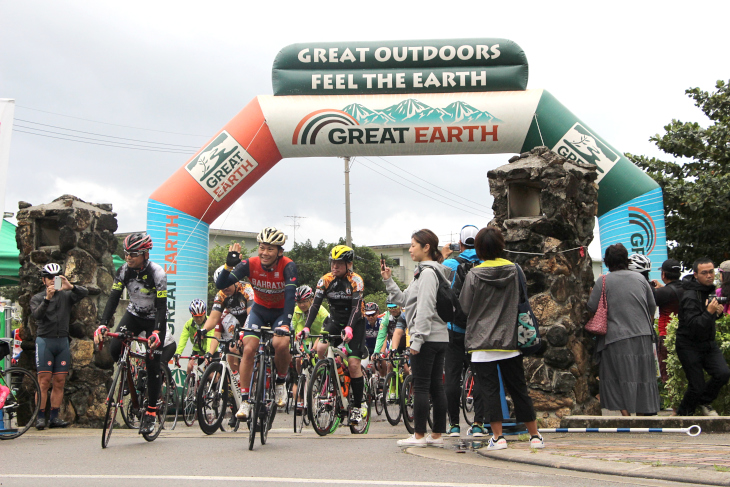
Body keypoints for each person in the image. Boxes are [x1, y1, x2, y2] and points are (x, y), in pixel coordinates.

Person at [458, 226, 544, 450]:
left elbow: (465, 307)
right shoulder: (515, 270)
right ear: (501, 245)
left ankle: (498, 438)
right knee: (518, 389)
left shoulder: (474, 274)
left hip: (481, 342)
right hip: (511, 341)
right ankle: (534, 436)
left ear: (478, 249)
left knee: (490, 392)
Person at [215, 228, 297, 419]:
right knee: (249, 348)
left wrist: (286, 323)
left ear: (279, 252)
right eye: (262, 248)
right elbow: (221, 285)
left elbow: (291, 296)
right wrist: (228, 266)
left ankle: (280, 383)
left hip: (280, 311)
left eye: (270, 249)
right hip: (259, 311)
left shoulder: (288, 266)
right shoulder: (249, 264)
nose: (264, 253)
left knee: (280, 343)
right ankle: (244, 401)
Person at [94, 233, 168, 435]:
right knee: (115, 347)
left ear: (145, 254)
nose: (128, 257)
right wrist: (102, 324)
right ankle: (129, 375)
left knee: (152, 362)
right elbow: (113, 298)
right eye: (126, 253)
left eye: (133, 254)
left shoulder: (157, 273)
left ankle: (151, 412)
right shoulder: (123, 271)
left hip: (155, 317)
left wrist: (156, 332)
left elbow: (162, 306)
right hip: (134, 314)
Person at [383, 229, 448, 447]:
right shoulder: (423, 273)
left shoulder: (428, 273)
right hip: (437, 337)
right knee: (435, 386)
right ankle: (437, 435)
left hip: (427, 338)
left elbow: (426, 307)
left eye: (413, 245)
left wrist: (416, 341)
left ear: (426, 247)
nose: (410, 249)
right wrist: (389, 281)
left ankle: (420, 435)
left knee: (421, 386)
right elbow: (403, 299)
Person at [587, 243, 659, 417]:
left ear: (606, 262)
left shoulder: (603, 281)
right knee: (643, 376)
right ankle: (644, 415)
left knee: (615, 377)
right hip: (643, 334)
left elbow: (591, 306)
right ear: (626, 260)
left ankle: (627, 417)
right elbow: (651, 305)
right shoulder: (640, 279)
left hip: (616, 337)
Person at [303, 245, 368, 425]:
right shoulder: (325, 280)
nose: (334, 267)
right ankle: (332, 376)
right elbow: (314, 306)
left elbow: (356, 307)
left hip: (355, 322)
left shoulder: (356, 280)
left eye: (339, 263)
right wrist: (307, 327)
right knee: (321, 348)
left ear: (349, 263)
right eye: (333, 263)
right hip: (335, 321)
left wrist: (349, 328)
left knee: (354, 364)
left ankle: (358, 405)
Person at [30, 263, 88, 429]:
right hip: (45, 341)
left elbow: (84, 292)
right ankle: (40, 417)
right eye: (49, 277)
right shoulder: (37, 298)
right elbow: (37, 315)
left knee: (60, 381)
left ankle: (54, 417)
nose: (52, 280)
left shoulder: (66, 295)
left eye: (56, 277)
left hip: (62, 341)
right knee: (43, 382)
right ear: (43, 280)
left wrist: (71, 286)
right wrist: (47, 299)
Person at [441, 224, 483, 437]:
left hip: (454, 328)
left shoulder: (449, 263)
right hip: (480, 329)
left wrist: (443, 257)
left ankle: (454, 425)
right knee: (480, 375)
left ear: (459, 243)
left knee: (452, 376)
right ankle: (478, 424)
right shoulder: (486, 264)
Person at [675, 257, 730, 416]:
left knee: (723, 373)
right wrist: (709, 312)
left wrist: (717, 314)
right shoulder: (690, 296)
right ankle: (683, 415)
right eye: (704, 273)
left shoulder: (710, 290)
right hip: (688, 345)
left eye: (711, 272)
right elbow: (694, 325)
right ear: (696, 275)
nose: (709, 276)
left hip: (708, 343)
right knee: (696, 386)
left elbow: (707, 319)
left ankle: (704, 402)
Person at [650, 259, 683, 383]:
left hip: (666, 337)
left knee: (667, 375)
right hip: (684, 335)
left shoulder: (662, 293)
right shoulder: (687, 289)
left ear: (663, 274)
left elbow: (650, 302)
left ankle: (671, 401)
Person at [173, 299, 212, 376]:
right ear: (192, 315)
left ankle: (215, 388)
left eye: (201, 316)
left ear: (205, 313)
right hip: (197, 350)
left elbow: (210, 339)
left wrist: (208, 353)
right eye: (196, 316)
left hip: (211, 350)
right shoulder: (189, 324)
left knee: (211, 376)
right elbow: (183, 339)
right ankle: (190, 386)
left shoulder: (210, 322)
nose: (199, 319)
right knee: (189, 366)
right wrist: (178, 353)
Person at [373, 303, 407, 379]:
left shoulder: (406, 314)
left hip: (407, 344)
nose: (392, 310)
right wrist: (376, 352)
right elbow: (381, 336)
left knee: (407, 369)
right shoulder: (386, 318)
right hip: (395, 345)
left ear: (400, 306)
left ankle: (411, 388)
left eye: (395, 307)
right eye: (390, 308)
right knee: (390, 366)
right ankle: (391, 390)